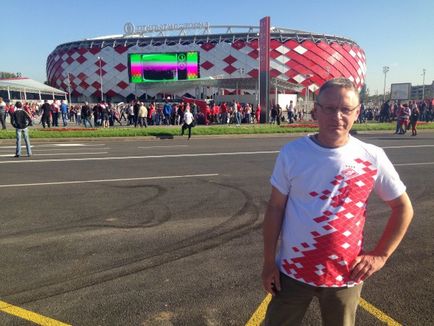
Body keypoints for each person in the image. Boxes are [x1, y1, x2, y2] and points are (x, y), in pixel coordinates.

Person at [262, 78, 413, 326]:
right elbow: (275, 208)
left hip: (345, 275)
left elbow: (403, 207)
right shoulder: (293, 153)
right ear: (316, 110)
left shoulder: (372, 157)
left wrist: (381, 255)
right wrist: (269, 263)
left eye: (346, 109)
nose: (338, 116)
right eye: (329, 108)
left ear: (357, 112)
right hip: (292, 272)